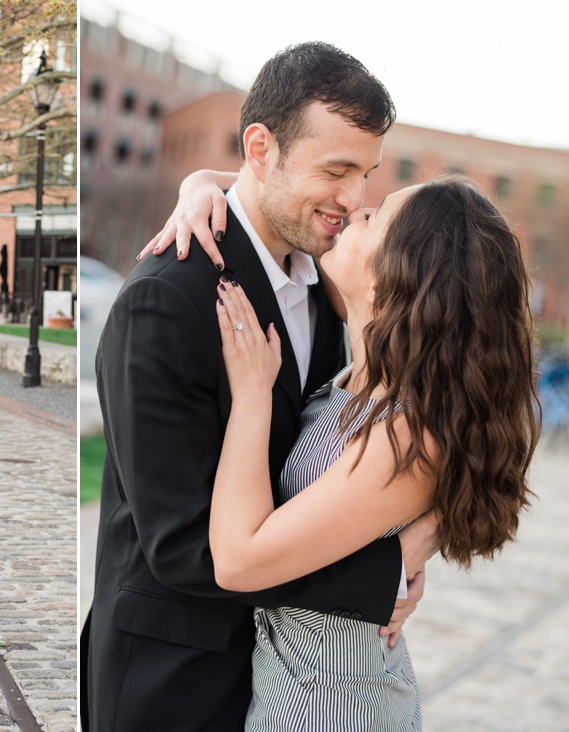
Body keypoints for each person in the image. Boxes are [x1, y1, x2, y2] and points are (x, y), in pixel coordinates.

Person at [81, 42, 440, 731]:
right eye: (336, 170)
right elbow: (185, 548)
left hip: (286, 683)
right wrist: (383, 574)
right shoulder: (168, 299)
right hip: (174, 684)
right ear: (261, 147)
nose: (351, 200)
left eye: (364, 174)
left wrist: (201, 182)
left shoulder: (330, 279)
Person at [209, 177, 537, 728]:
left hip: (332, 706)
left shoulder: (406, 432)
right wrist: (200, 186)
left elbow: (240, 561)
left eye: (374, 218)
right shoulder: (355, 382)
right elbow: (271, 184)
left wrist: (251, 400)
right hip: (292, 691)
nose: (353, 209)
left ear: (393, 280)